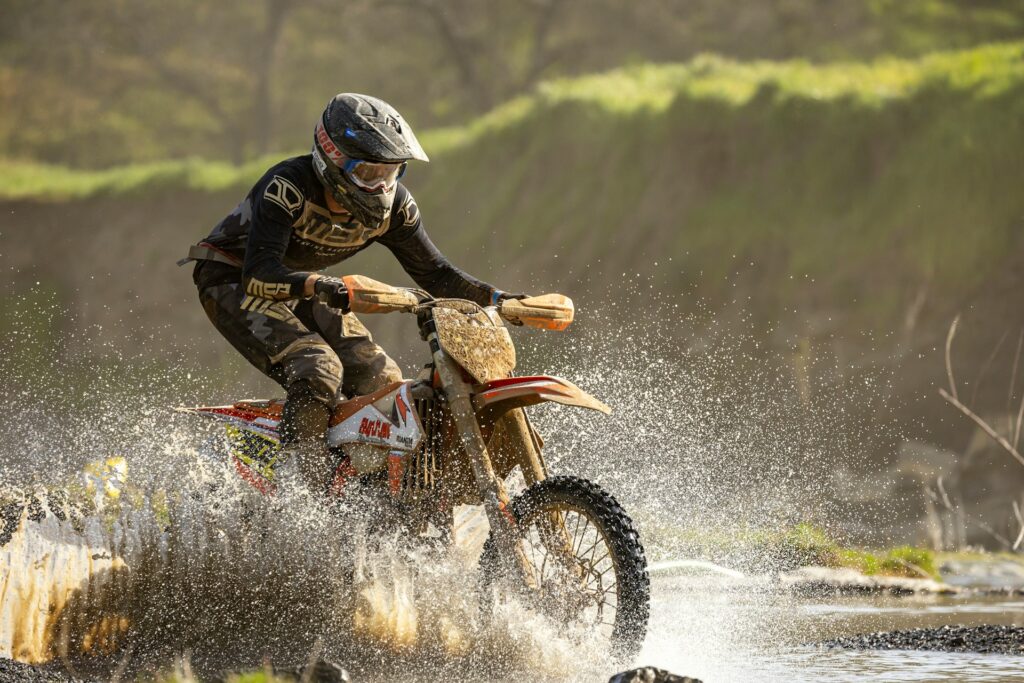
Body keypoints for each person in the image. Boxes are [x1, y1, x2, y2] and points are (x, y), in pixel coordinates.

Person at [182, 93, 523, 495]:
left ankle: (373, 494)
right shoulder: (288, 187)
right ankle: (303, 496)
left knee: (382, 379)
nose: (380, 185)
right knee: (317, 366)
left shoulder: (397, 208)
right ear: (331, 161)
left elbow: (436, 273)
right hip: (232, 278)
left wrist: (502, 301)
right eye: (368, 172)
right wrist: (320, 285)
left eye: (391, 172)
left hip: (303, 283)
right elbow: (259, 274)